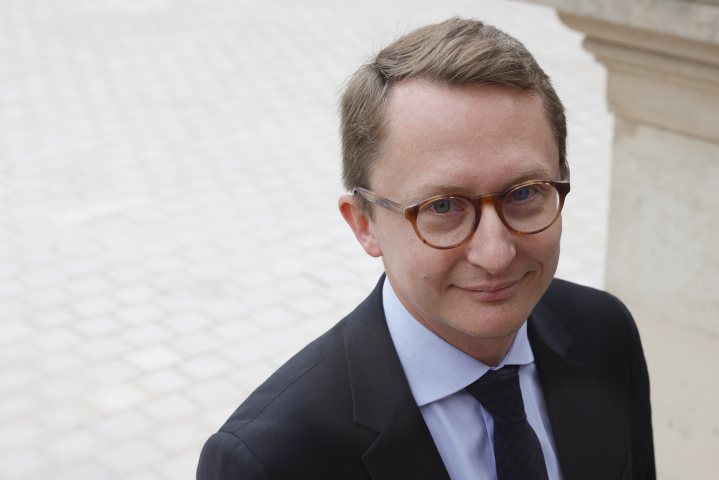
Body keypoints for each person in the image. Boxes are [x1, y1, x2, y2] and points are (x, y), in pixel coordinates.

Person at [197, 17, 655, 480]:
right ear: (364, 224)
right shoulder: (268, 461)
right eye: (443, 206)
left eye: (523, 193)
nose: (495, 254)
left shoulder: (605, 333)